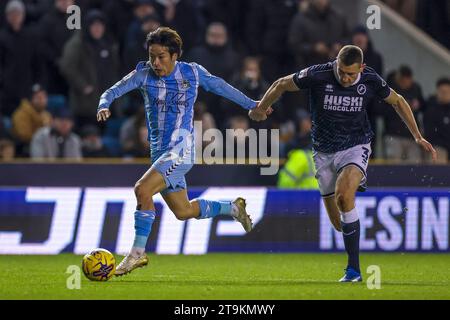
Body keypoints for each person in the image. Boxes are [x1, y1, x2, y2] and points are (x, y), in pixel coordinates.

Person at [250, 45, 436, 282]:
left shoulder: (370, 80)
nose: (346, 78)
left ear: (362, 68)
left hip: (355, 146)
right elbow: (281, 84)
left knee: (344, 197)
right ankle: (352, 238)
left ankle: (354, 270)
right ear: (335, 63)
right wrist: (262, 108)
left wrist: (417, 135)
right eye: (342, 71)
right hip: (323, 152)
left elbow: (398, 101)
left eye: (351, 74)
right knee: (338, 223)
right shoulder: (318, 74)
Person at [97, 27, 257, 276]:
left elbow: (221, 87)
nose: (155, 62)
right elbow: (113, 90)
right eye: (152, 56)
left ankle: (137, 253)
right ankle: (233, 208)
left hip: (182, 149)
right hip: (159, 153)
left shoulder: (192, 72)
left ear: (174, 55)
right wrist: (104, 104)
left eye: (161, 56)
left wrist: (252, 105)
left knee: (142, 189)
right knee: (183, 211)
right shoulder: (143, 74)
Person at [423, 78, 450, 163]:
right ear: (437, 92)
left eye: (447, 92)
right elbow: (429, 132)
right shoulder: (431, 109)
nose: (445, 94)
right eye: (442, 92)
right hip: (438, 147)